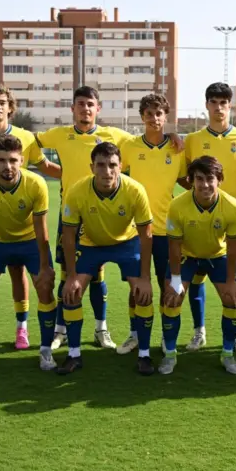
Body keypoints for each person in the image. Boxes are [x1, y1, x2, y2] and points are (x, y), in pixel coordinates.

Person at [36, 86, 183, 351]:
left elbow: (150, 139)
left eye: (90, 104)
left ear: (98, 108)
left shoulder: (117, 136)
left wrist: (170, 134)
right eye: (80, 104)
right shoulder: (59, 134)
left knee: (118, 277)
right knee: (69, 276)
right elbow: (28, 142)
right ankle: (61, 331)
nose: (85, 109)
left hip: (122, 216)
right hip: (74, 215)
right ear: (73, 108)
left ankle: (103, 329)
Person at [0, 85, 60, 353]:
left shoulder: (26, 137)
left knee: (20, 274)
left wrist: (79, 178)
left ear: (10, 107)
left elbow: (44, 166)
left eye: (3, 102)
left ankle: (22, 327)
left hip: (21, 217)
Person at [57, 142, 155, 375]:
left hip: (126, 243)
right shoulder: (77, 191)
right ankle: (73, 354)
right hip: (91, 244)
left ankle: (144, 354)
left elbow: (146, 235)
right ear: (92, 167)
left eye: (112, 165)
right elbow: (68, 236)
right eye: (101, 165)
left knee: (143, 294)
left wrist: (145, 277)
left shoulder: (135, 190)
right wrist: (71, 276)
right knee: (71, 293)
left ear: (121, 166)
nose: (107, 171)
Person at [183, 83, 236, 353]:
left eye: (223, 102)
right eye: (213, 102)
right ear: (206, 105)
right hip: (198, 221)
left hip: (233, 222)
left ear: (230, 106)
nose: (218, 107)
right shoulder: (192, 140)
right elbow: (184, 176)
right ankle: (199, 331)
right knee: (197, 277)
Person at [118, 94, 190, 354]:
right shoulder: (130, 146)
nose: (154, 118)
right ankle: (135, 334)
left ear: (165, 117)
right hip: (135, 230)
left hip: (166, 230)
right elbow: (115, 174)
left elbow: (184, 181)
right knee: (137, 285)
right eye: (149, 113)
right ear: (142, 117)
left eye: (159, 113)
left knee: (165, 284)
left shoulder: (177, 149)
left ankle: (164, 336)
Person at [161, 156, 236, 375]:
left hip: (217, 256)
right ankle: (169, 355)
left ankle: (227, 353)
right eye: (199, 179)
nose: (205, 184)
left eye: (210, 178)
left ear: (220, 179)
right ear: (191, 180)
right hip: (187, 256)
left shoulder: (233, 207)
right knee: (171, 299)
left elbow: (234, 249)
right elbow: (174, 246)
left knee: (232, 299)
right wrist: (176, 280)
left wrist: (231, 281)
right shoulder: (178, 205)